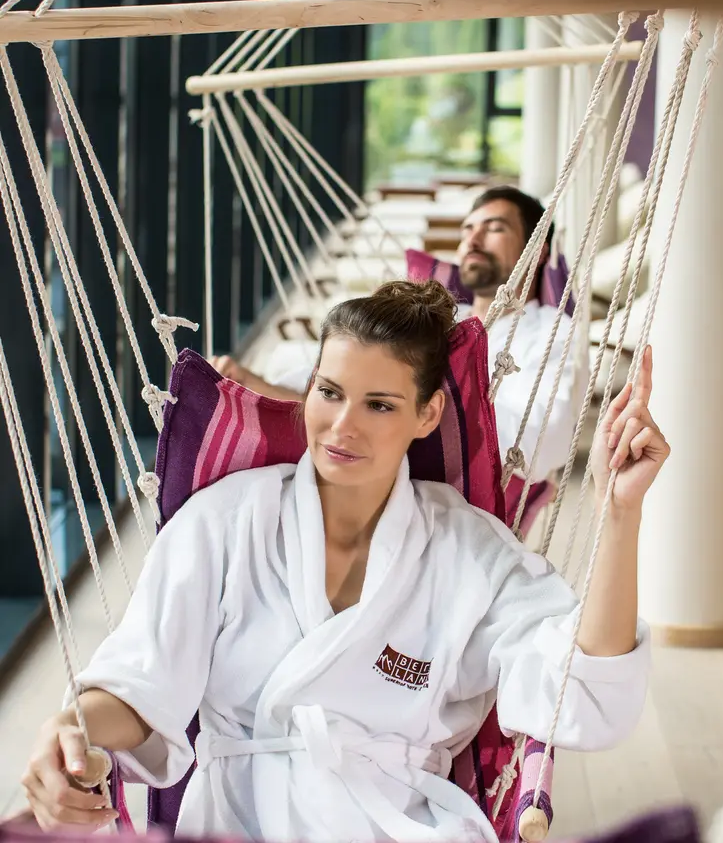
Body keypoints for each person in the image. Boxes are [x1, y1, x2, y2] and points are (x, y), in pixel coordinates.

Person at [22, 280, 667, 843]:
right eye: (328, 393)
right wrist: (73, 726)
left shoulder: (471, 551)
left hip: (402, 821)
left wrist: (621, 514)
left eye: (379, 404)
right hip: (238, 821)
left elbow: (580, 691)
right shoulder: (226, 521)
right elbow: (139, 684)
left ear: (428, 413)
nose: (341, 426)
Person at [213, 186, 584, 482]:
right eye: (468, 229)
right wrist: (253, 384)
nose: (473, 239)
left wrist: (422, 401)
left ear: (537, 253)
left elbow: (541, 445)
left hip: (430, 485)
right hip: (358, 453)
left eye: (495, 228)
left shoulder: (552, 332)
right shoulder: (440, 324)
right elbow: (336, 390)